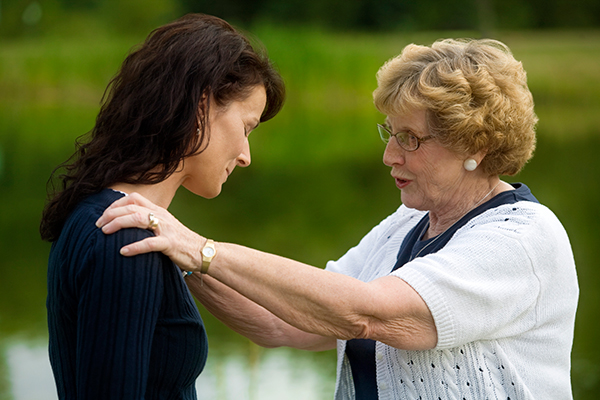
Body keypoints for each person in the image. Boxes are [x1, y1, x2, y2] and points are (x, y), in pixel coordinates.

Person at [95, 38, 579, 399]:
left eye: (410, 138)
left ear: (474, 146)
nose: (389, 155)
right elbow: (285, 322)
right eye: (388, 132)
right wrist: (174, 253)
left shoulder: (523, 240)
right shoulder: (405, 226)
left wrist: (203, 249)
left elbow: (367, 312)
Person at [40, 13, 285, 399]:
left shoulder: (99, 214)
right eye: (247, 127)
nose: (245, 156)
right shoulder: (125, 237)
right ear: (201, 105)